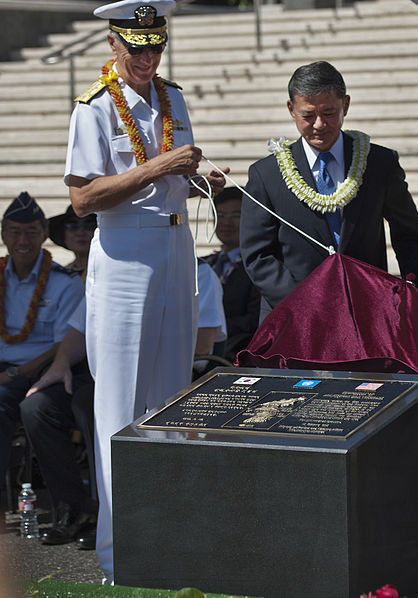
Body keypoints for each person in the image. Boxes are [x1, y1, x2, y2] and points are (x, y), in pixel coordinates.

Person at [63, 0, 226, 581]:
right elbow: (83, 200)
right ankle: (117, 558)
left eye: (155, 47)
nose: (146, 59)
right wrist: (158, 168)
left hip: (177, 249)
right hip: (125, 254)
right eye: (136, 48)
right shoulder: (95, 107)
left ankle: (169, 544)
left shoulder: (171, 98)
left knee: (169, 401)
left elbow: (171, 172)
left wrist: (196, 178)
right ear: (113, 45)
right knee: (119, 406)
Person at [241, 60, 418, 319]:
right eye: (308, 115)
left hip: (368, 312)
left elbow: (409, 235)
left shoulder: (378, 163)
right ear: (291, 109)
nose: (319, 124)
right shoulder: (267, 174)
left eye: (329, 113)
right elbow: (258, 255)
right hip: (293, 316)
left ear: (346, 105)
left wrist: (413, 292)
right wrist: (302, 304)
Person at [0, 193, 84, 501]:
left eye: (32, 232)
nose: (23, 240)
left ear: (45, 234)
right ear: (3, 234)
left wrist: (15, 373)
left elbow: (65, 343)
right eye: (15, 232)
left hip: (44, 370)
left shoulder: (64, 282)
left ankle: (70, 504)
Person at [23, 299, 96, 548]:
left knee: (87, 405)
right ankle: (71, 511)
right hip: (93, 373)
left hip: (149, 378)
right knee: (37, 408)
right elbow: (78, 331)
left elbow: (203, 343)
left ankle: (107, 516)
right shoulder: (107, 270)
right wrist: (60, 363)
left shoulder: (198, 277)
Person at [201, 187, 260, 358]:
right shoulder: (203, 264)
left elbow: (255, 319)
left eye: (235, 216)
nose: (226, 222)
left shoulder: (258, 265)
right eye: (221, 215)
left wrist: (214, 327)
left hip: (234, 355)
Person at [47, 205, 97, 280]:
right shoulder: (60, 275)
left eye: (89, 226)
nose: (80, 232)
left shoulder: (107, 269)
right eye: (72, 226)